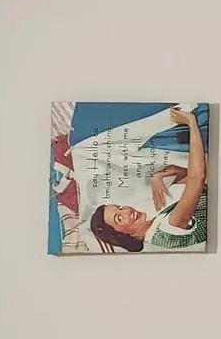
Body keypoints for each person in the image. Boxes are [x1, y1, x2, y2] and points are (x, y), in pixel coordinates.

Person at [87, 107, 207, 252]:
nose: (126, 211)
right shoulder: (165, 232)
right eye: (119, 218)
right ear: (121, 235)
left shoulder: (158, 222)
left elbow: (192, 176)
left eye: (119, 207)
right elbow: (198, 177)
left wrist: (159, 176)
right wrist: (191, 122)